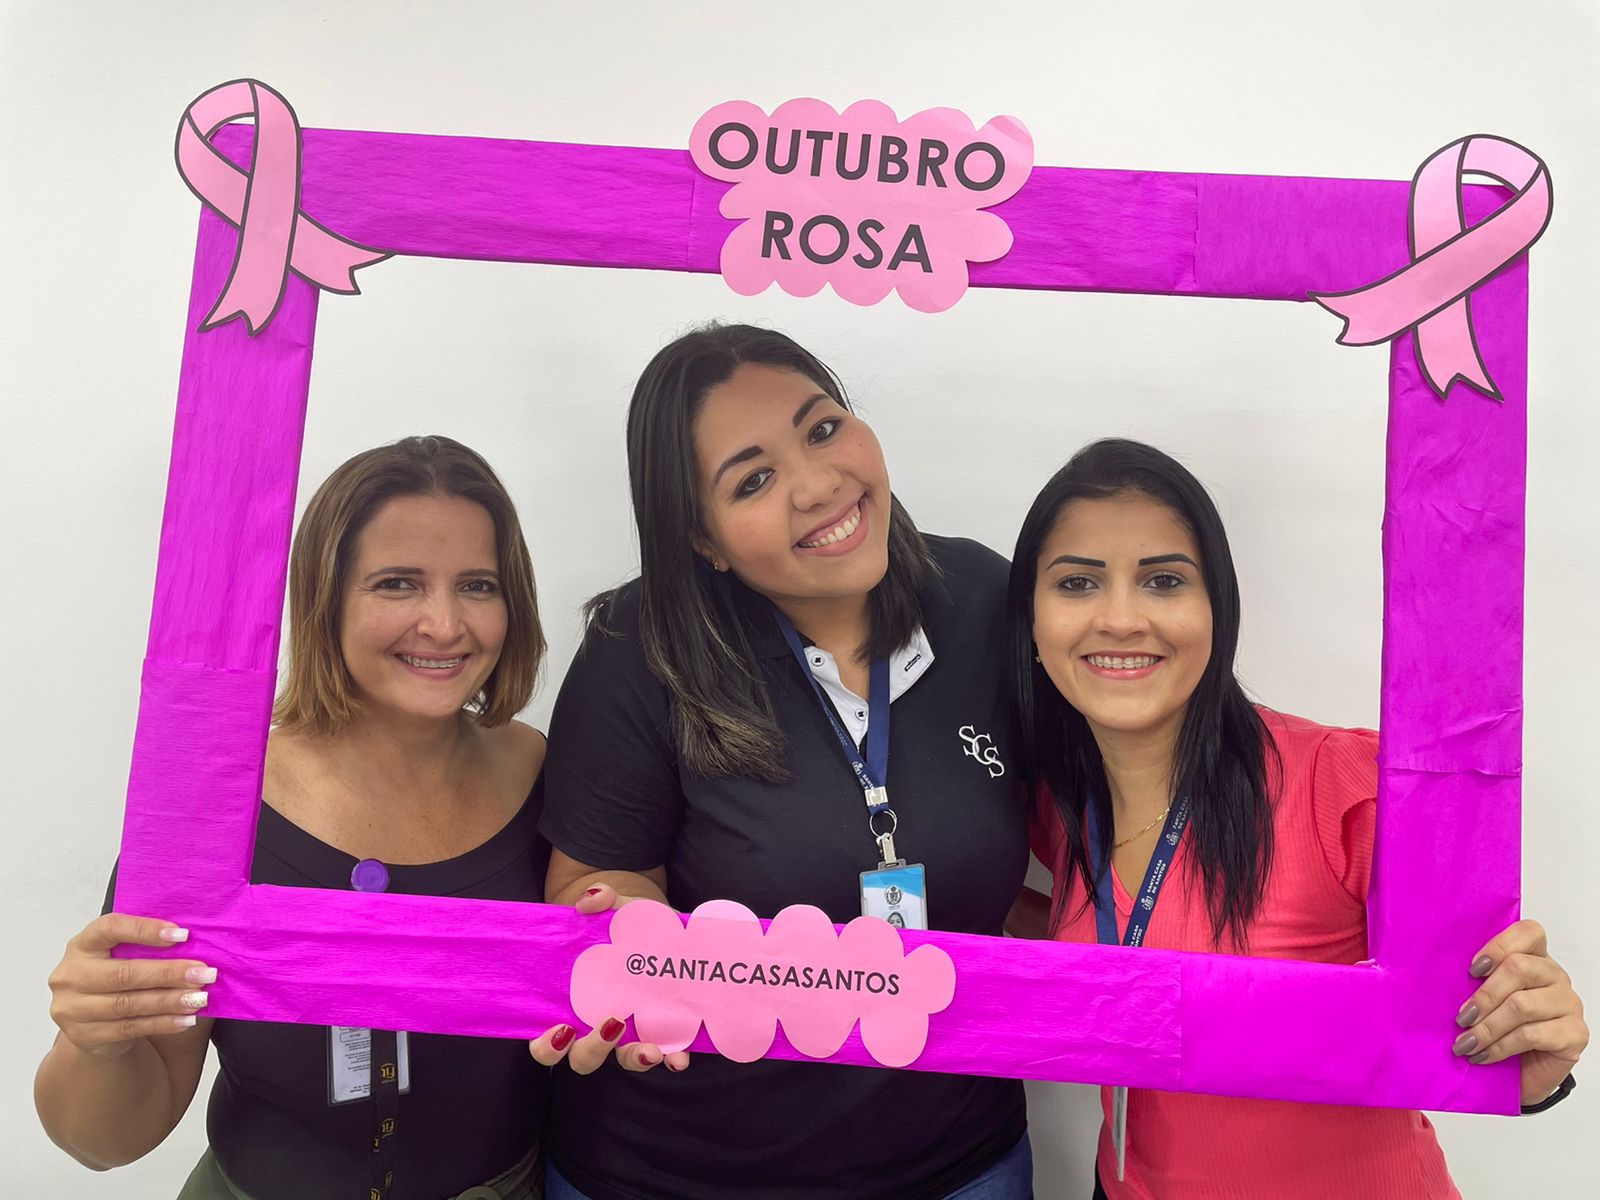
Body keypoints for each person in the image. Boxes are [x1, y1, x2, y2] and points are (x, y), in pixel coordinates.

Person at [1005, 437, 1589, 1200]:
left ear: (1217, 609)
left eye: (1163, 580)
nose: (1119, 618)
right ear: (1032, 621)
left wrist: (1525, 1057)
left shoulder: (1343, 788)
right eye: (1077, 583)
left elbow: (1467, 1007)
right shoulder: (1056, 804)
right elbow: (1079, 939)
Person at [533, 324, 1034, 1199]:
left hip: (957, 1160)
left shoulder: (988, 600)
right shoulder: (639, 648)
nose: (818, 484)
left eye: (824, 428)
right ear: (704, 541)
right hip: (679, 1173)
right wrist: (630, 943)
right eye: (753, 480)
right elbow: (595, 879)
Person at [36, 436, 564, 1200]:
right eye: (397, 584)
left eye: (478, 586)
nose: (445, 624)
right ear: (326, 599)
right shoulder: (212, 808)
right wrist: (95, 1041)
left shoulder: (550, 775)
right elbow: (104, 1142)